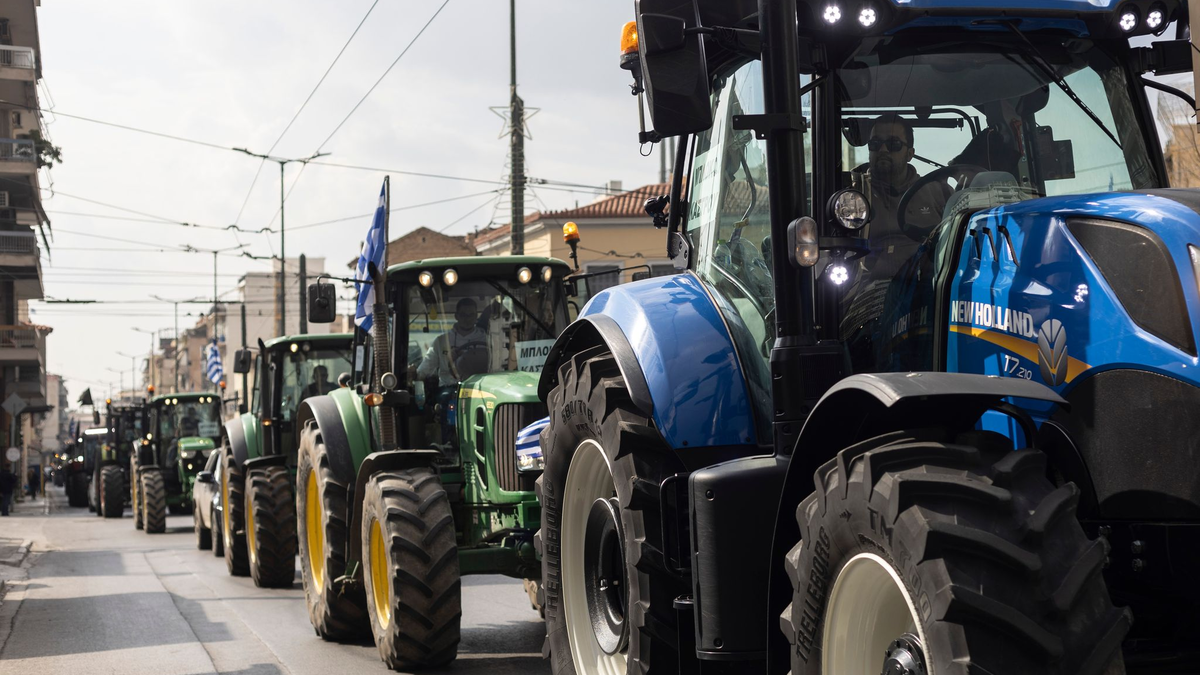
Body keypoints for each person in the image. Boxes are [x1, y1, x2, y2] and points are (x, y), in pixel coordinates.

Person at [859, 113, 951, 278]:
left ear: (910, 154)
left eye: (893, 144)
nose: (883, 150)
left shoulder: (940, 193)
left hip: (929, 288)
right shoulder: (852, 196)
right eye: (875, 144)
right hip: (868, 289)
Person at [416, 297, 490, 387]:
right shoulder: (441, 341)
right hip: (448, 387)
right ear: (456, 316)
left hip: (479, 387)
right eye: (463, 315)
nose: (467, 319)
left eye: (471, 315)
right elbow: (426, 367)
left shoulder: (486, 340)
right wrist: (414, 375)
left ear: (476, 316)